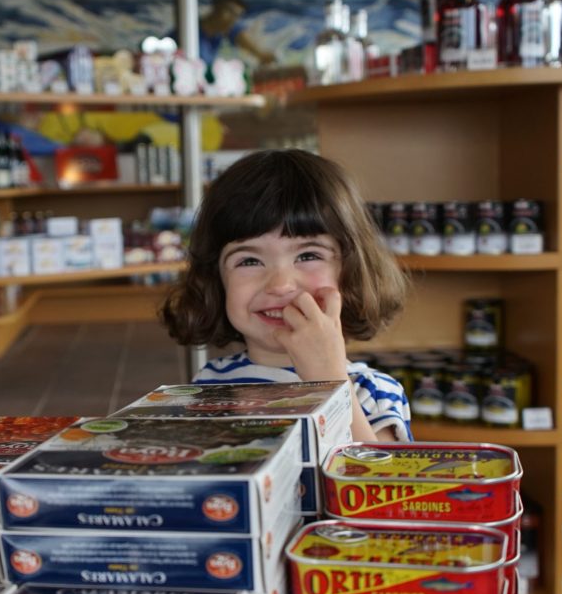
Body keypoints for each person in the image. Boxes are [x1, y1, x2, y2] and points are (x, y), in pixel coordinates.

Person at [161, 149, 412, 441]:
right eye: (249, 260)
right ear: (216, 280)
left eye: (308, 255)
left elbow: (372, 471)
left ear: (350, 271)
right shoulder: (208, 384)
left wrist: (329, 381)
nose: (280, 284)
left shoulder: (373, 392)